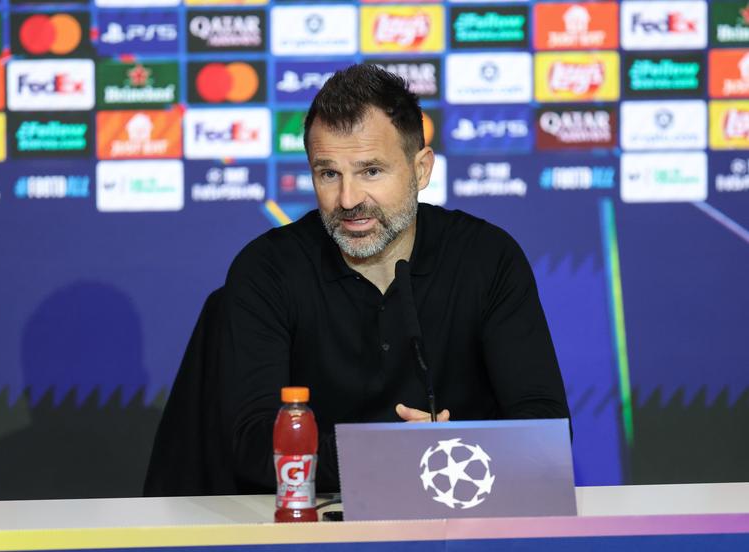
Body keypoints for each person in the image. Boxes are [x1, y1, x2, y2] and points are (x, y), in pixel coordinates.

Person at [219, 64, 570, 494]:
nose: (348, 200)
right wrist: (390, 455)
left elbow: (547, 429)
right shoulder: (267, 269)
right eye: (329, 173)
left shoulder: (487, 258)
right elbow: (251, 446)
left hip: (461, 518)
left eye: (371, 171)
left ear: (421, 170)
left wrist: (443, 453)